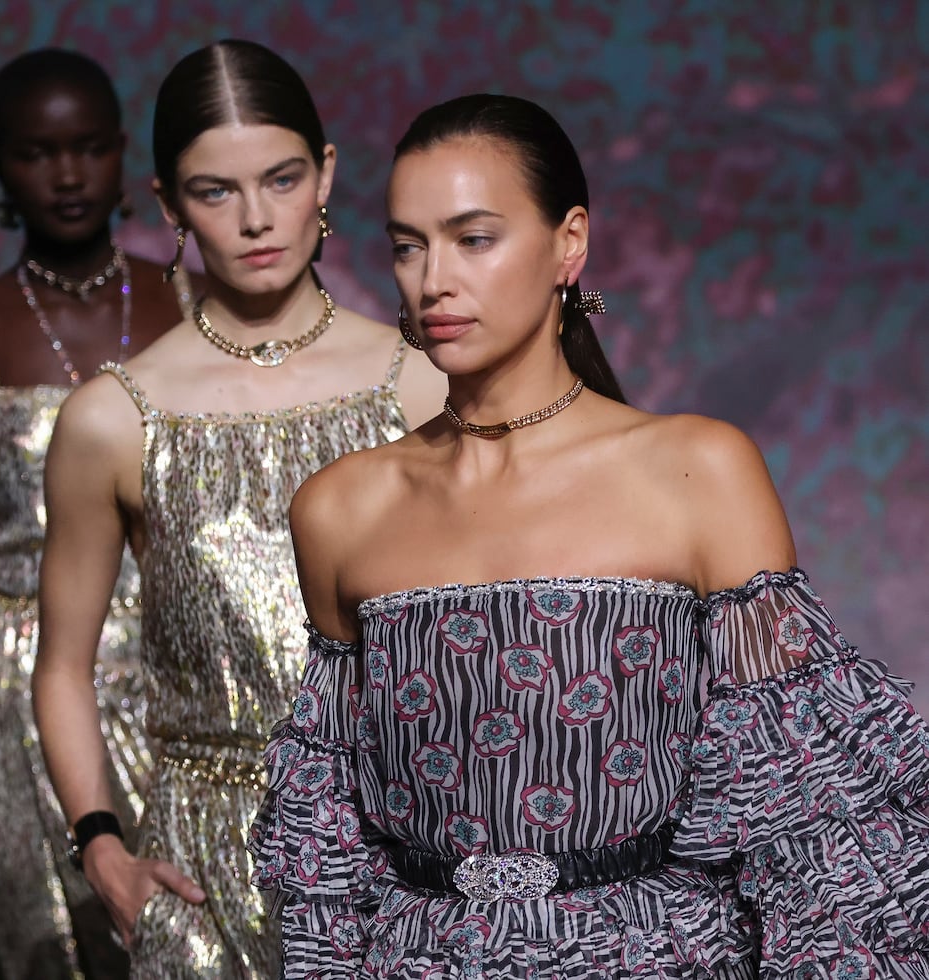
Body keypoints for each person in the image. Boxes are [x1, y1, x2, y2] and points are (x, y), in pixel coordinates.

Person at [248, 93, 929, 978]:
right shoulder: (341, 509)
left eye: (475, 238)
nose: (432, 279)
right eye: (408, 245)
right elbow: (330, 849)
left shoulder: (698, 470)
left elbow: (801, 815)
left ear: (571, 243)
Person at [32, 38, 444, 979]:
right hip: (199, 870)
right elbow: (63, 664)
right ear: (171, 206)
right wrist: (100, 843)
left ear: (327, 175)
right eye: (216, 192)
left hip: (401, 850)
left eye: (283, 177)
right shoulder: (114, 418)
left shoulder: (419, 383)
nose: (258, 219)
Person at [0, 48, 196, 979]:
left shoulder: (193, 306)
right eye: (37, 152)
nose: (65, 173)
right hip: (8, 691)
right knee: (46, 950)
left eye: (89, 148)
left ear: (125, 155)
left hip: (178, 677)